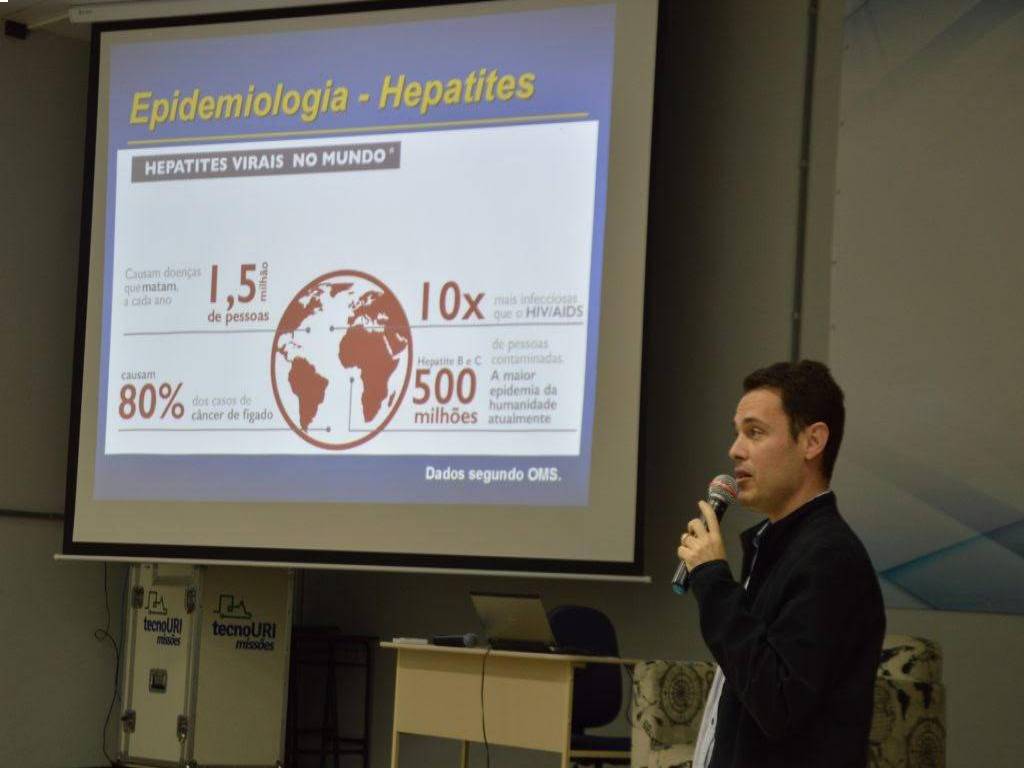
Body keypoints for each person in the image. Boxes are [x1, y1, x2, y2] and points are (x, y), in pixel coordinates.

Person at [677, 360, 885, 768]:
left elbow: (778, 702)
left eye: (754, 432)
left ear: (812, 441)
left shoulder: (830, 559)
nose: (735, 450)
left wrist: (714, 583)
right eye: (737, 433)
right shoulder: (777, 546)